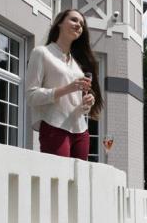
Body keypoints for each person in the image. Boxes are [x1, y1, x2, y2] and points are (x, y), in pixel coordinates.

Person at [26, 9, 103, 160]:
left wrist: (87, 103)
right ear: (59, 22)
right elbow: (31, 96)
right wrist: (68, 88)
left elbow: (76, 102)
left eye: (81, 24)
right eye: (74, 20)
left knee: (80, 182)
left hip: (81, 131)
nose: (79, 25)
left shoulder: (77, 65)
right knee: (57, 181)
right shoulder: (42, 53)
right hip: (54, 127)